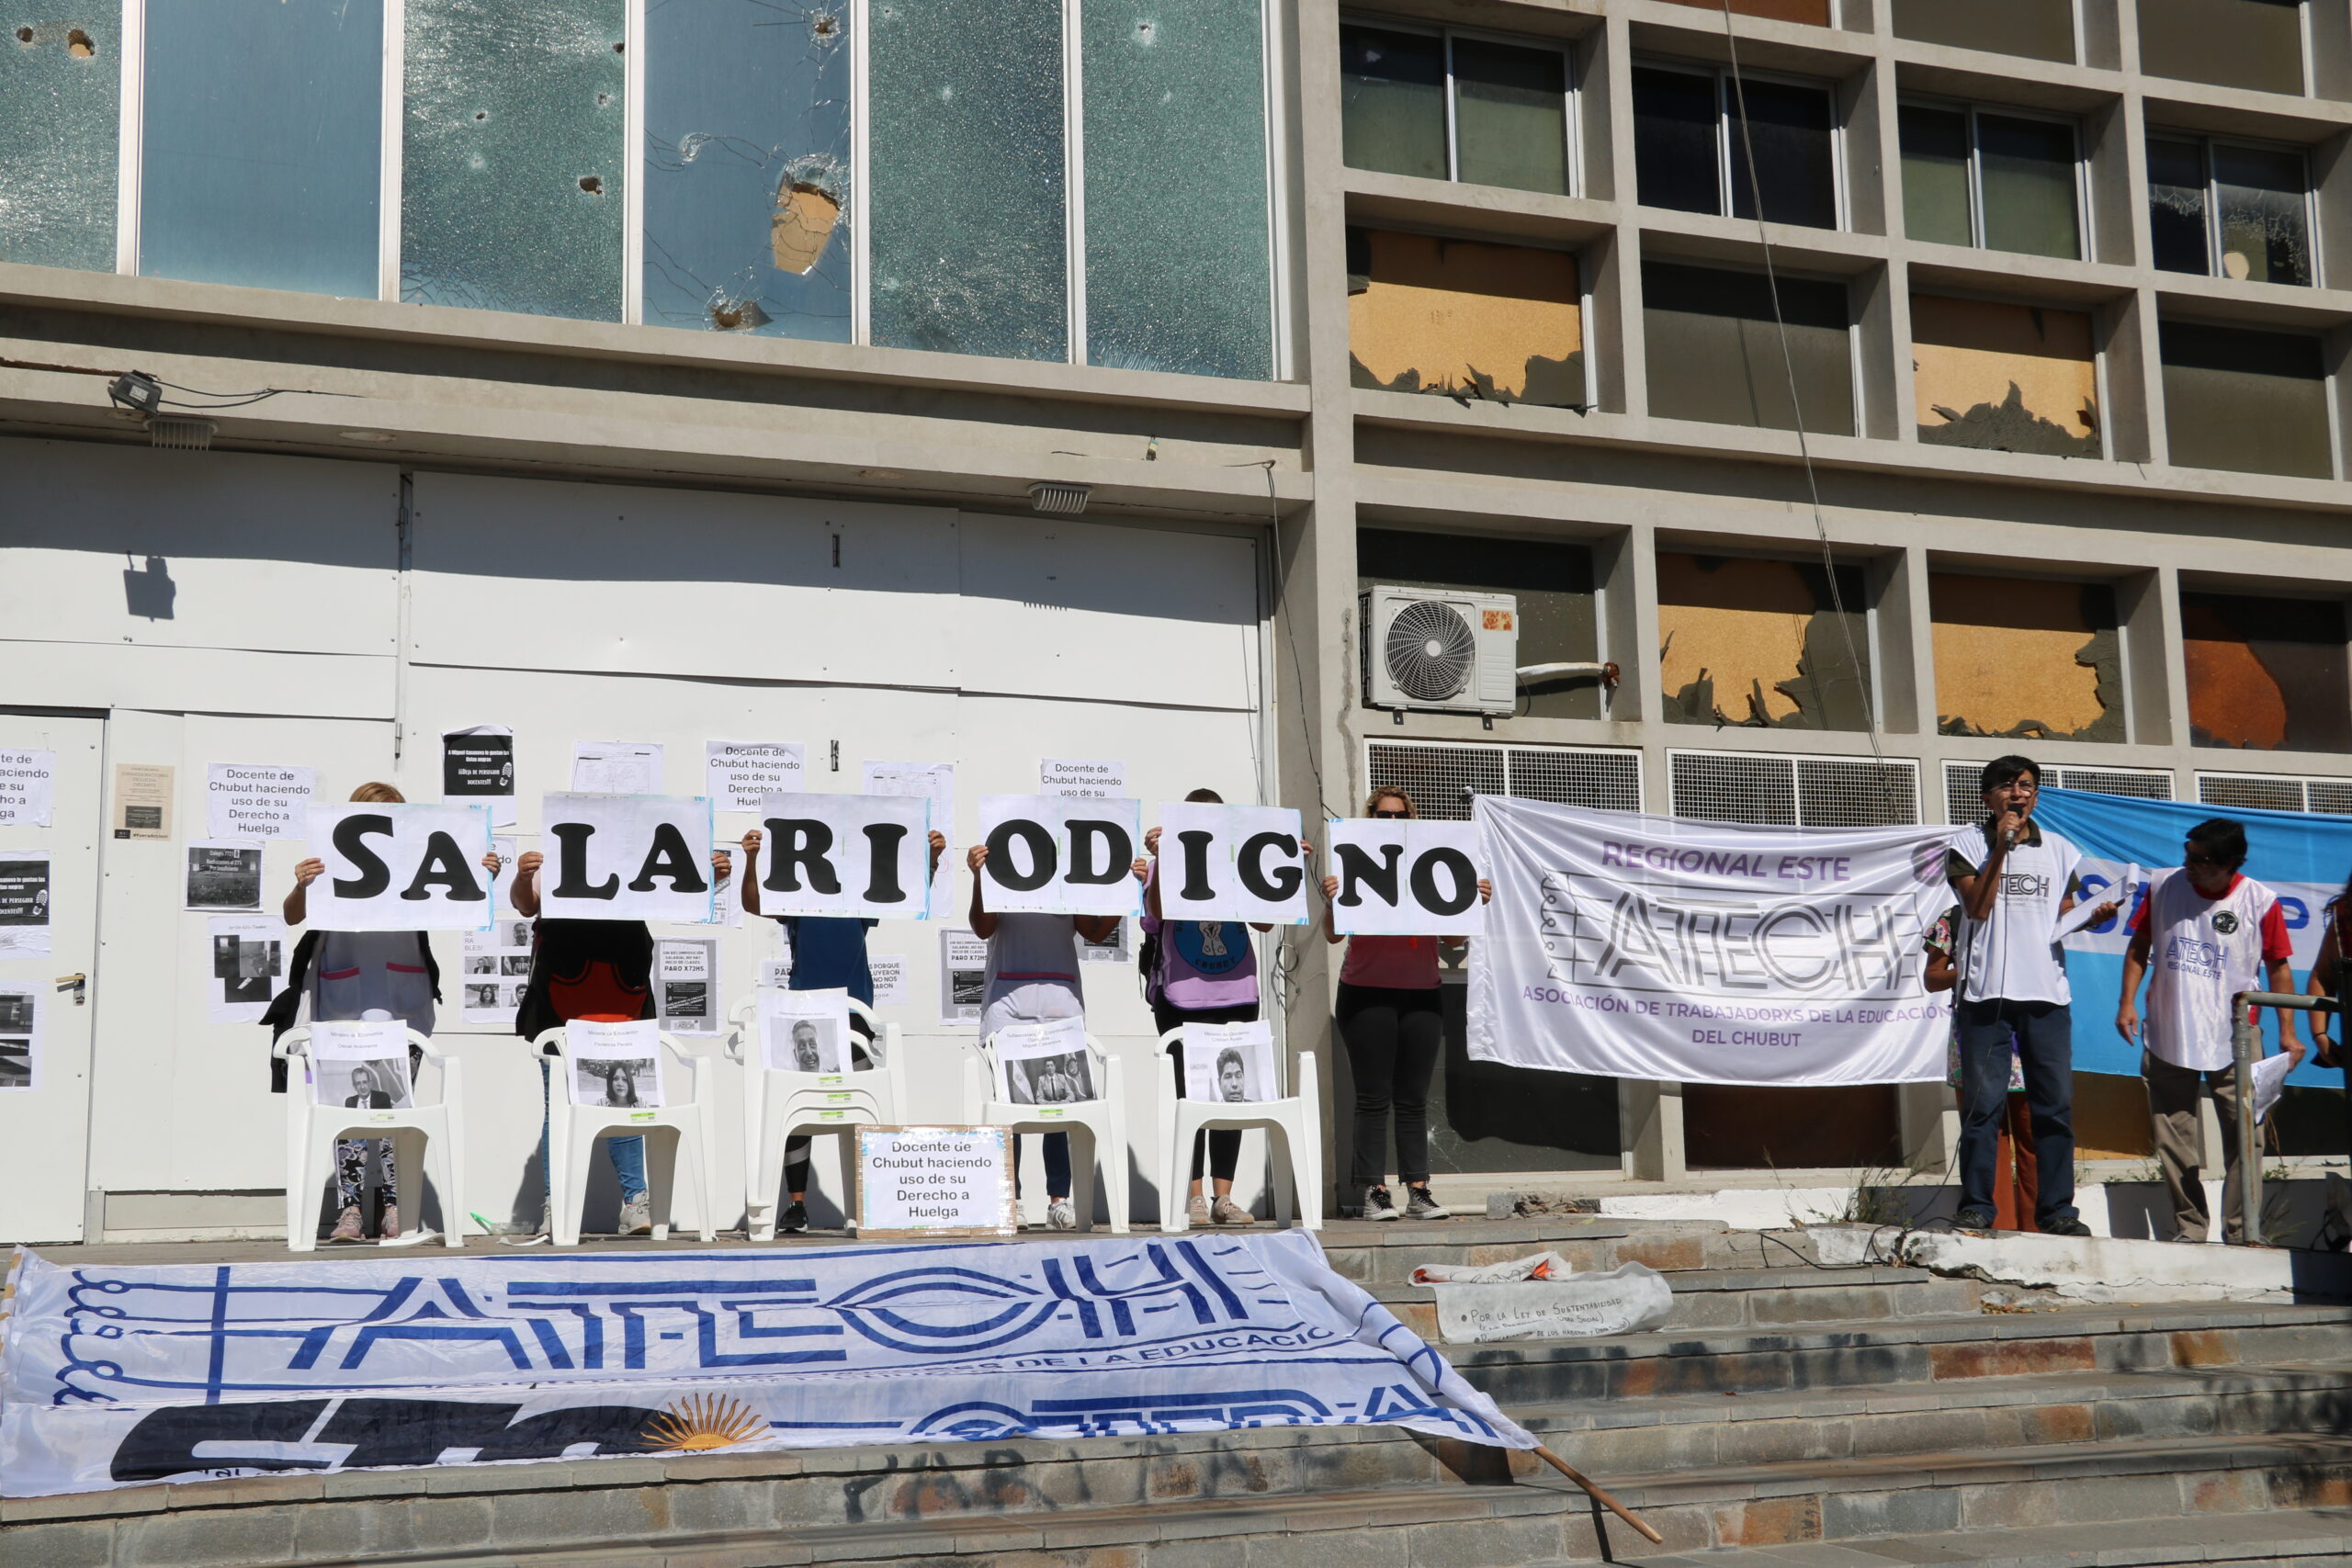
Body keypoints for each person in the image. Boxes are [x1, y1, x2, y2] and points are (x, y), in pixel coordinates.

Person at [267, 782, 501, 1245]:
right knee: (346, 1110)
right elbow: (293, 916)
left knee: (397, 1107)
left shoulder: (422, 862)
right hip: (343, 1003)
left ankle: (397, 1209)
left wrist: (481, 873)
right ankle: (350, 1211)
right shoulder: (331, 861)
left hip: (404, 1003)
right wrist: (301, 885)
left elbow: (462, 906)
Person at [513, 840, 731, 1241]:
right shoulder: (559, 850)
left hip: (622, 992)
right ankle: (556, 1202)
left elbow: (678, 898)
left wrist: (710, 877)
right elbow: (526, 906)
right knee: (556, 1106)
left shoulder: (638, 851)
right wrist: (523, 877)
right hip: (561, 997)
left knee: (628, 1099)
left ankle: (635, 1202)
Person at [741, 828, 946, 1233]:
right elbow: (753, 903)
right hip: (805, 1014)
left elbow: (907, 895)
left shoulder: (858, 898)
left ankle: (866, 1203)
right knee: (797, 1110)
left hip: (854, 1016)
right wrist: (751, 859)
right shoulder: (798, 898)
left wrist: (932, 859)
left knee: (860, 1108)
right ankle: (796, 1205)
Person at [2117, 818, 2298, 1245]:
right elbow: (2139, 946)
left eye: (2200, 860)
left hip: (2235, 1036)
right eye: (2188, 855)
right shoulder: (2164, 886)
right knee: (2173, 1137)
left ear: (2229, 863)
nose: (2189, 865)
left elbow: (2279, 967)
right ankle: (2190, 1227)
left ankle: (2242, 1231)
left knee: (2247, 1136)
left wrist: (2288, 1032)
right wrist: (2126, 1001)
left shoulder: (2259, 900)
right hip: (2170, 1028)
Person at [1141, 788, 1313, 1227]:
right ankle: (1194, 1198)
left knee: (1231, 1098)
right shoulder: (1166, 859)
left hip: (1237, 992)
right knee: (1189, 1097)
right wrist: (1161, 860)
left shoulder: (1241, 860)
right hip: (1181, 995)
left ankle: (1224, 1198)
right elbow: (1155, 915)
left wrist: (1284, 865)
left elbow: (1264, 922)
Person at [1946, 756, 2102, 1236]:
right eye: (2008, 786)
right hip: (1985, 996)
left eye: (2027, 786)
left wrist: (2093, 915)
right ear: (1987, 797)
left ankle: (2058, 1212)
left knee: (2053, 1109)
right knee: (1983, 1108)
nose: (2018, 794)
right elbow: (1978, 907)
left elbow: (2065, 914)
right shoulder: (1965, 845)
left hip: (2046, 995)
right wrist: (2001, 846)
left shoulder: (2060, 849)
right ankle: (1977, 1207)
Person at [1321, 786, 1491, 1223]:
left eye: (1400, 814)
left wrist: (1471, 900)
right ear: (1371, 818)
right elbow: (1333, 935)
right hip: (1366, 991)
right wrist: (1331, 900)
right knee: (1373, 1098)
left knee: (1413, 1099)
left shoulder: (1428, 864)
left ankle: (1419, 1190)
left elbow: (1452, 937)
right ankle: (1374, 1192)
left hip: (1421, 993)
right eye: (1383, 815)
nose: (1392, 821)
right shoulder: (1356, 862)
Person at [967, 839, 1146, 1230]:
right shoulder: (1001, 872)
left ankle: (1058, 1201)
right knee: (1009, 1108)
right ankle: (1010, 1199)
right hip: (1008, 1007)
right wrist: (980, 877)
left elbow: (1094, 931)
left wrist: (1128, 891)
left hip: (1060, 1005)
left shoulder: (1067, 877)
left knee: (1061, 1106)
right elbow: (982, 928)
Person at [1927, 908, 2037, 1230]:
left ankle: (2042, 1228)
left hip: (2026, 1041)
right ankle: (1997, 1226)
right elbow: (1932, 978)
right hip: (1974, 1041)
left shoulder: (2030, 912)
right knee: (1987, 1138)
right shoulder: (1954, 919)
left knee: (2035, 1136)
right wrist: (1970, 969)